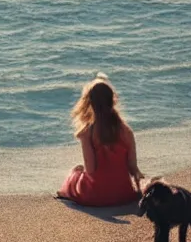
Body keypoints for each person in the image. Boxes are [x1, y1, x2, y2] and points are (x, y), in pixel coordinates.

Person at [57, 75, 144, 206]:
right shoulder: (126, 131)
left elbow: (90, 170)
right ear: (113, 100)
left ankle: (64, 192)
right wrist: (141, 188)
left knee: (75, 172)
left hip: (95, 197)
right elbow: (133, 168)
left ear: (88, 103)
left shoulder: (87, 132)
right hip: (123, 194)